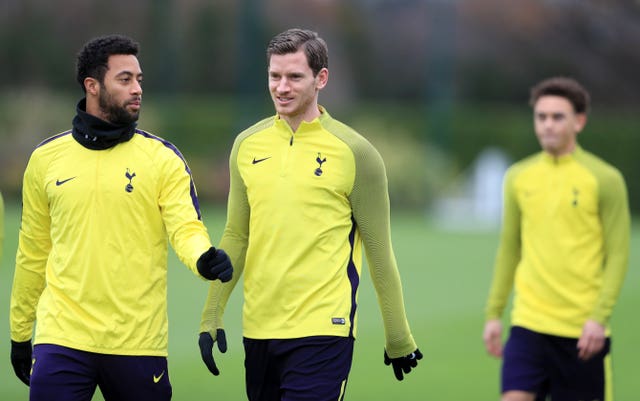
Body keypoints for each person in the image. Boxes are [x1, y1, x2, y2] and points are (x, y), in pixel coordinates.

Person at [198, 28, 422, 400]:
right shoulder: (246, 145)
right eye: (275, 76)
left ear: (321, 78)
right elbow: (236, 236)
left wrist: (397, 336)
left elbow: (379, 252)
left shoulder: (356, 153)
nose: (281, 87)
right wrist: (211, 315)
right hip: (259, 330)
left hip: (324, 329)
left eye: (294, 77)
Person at [9, 34, 233, 401]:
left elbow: (185, 227)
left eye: (139, 80)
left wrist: (203, 258)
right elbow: (33, 252)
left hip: (137, 342)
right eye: (125, 79)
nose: (136, 89)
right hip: (62, 338)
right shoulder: (45, 160)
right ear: (92, 86)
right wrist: (20, 334)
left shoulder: (163, 159)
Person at [482, 77, 630, 401]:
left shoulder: (605, 179)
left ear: (579, 121)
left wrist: (598, 318)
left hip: (581, 331)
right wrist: (494, 313)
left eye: (557, 117)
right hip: (529, 323)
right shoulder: (519, 177)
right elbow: (510, 249)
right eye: (541, 116)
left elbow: (619, 254)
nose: (547, 125)